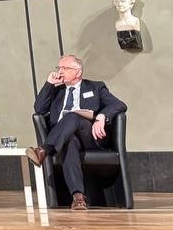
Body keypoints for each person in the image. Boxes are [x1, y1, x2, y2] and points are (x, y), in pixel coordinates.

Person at [25, 54, 128, 210]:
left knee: (73, 115)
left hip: (90, 136)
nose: (59, 72)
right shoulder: (56, 91)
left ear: (78, 71)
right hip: (64, 138)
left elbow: (119, 104)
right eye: (58, 68)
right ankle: (78, 198)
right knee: (69, 143)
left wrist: (101, 116)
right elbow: (39, 110)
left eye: (64, 68)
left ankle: (44, 150)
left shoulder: (96, 87)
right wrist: (49, 84)